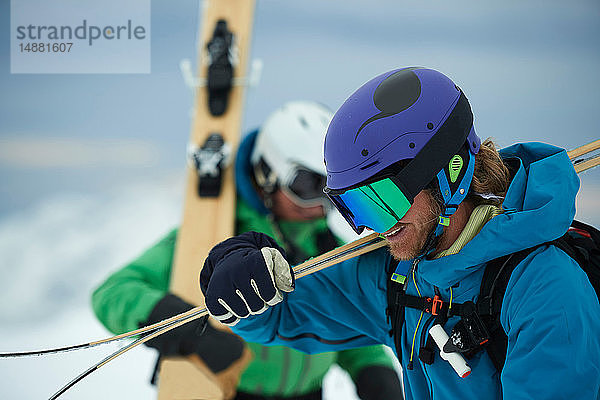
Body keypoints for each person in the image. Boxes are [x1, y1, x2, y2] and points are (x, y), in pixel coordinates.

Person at [199, 68, 600, 399]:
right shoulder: (400, 277)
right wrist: (238, 271)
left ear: (452, 172)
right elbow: (282, 312)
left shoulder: (543, 287)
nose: (374, 225)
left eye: (382, 200)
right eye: (354, 207)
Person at [92, 101, 403, 400]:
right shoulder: (212, 237)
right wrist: (190, 333)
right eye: (307, 185)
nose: (321, 205)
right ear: (268, 175)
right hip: (228, 391)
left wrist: (375, 375)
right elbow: (113, 293)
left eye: (331, 188)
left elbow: (344, 318)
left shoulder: (327, 246)